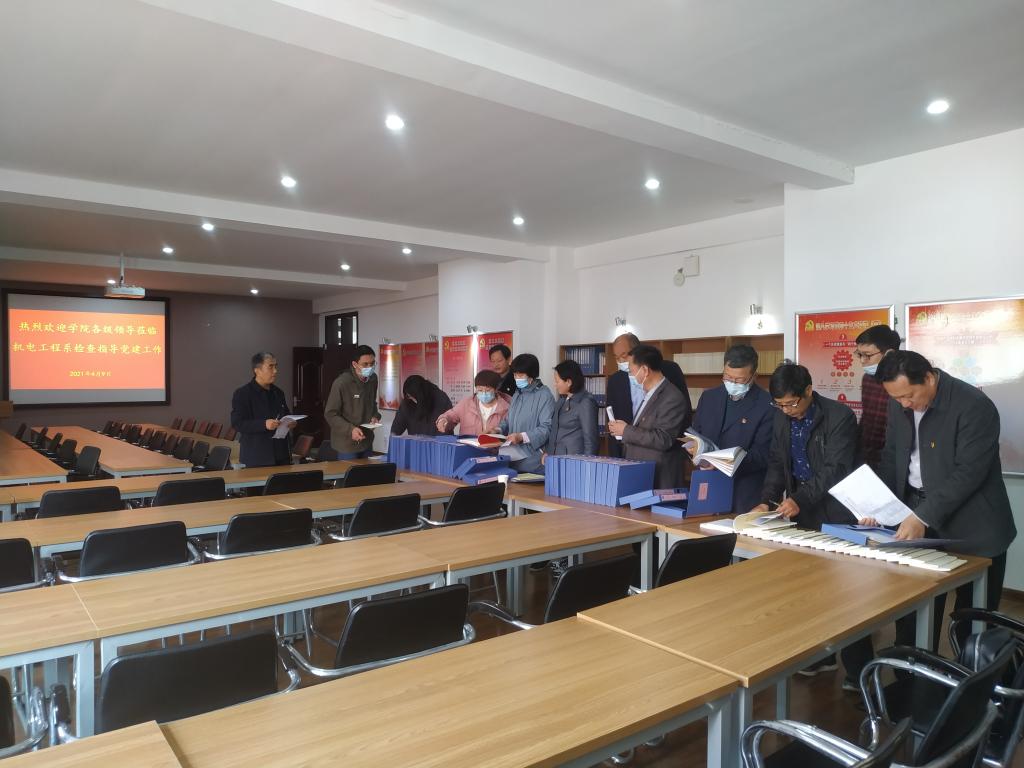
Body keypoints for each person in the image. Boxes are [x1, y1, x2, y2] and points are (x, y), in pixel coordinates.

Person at [875, 350, 1016, 650]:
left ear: (928, 378)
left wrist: (922, 516)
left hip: (974, 525)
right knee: (912, 610)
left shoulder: (973, 405)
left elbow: (969, 473)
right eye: (896, 398)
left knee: (973, 623)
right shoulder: (899, 402)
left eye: (908, 396)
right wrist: (880, 506)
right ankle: (910, 674)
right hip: (917, 513)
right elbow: (892, 456)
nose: (904, 404)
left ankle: (972, 678)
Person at [752, 363, 858, 530]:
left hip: (835, 509)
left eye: (791, 403)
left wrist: (799, 499)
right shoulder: (781, 418)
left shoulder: (839, 416)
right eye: (779, 404)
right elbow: (778, 463)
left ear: (808, 390)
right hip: (802, 510)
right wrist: (767, 502)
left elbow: (836, 468)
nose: (785, 410)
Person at [687, 344, 774, 512]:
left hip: (743, 492)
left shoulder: (767, 405)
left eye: (739, 380)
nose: (732, 383)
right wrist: (694, 448)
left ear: (753, 376)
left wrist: (721, 463)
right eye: (727, 377)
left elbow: (763, 455)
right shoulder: (709, 397)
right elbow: (697, 433)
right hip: (708, 485)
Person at [607, 345, 690, 487]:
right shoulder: (649, 393)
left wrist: (626, 430)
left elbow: (663, 439)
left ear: (645, 370)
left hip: (659, 475)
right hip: (642, 472)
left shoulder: (671, 397)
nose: (630, 376)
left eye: (631, 371)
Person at [230, 352, 295, 467]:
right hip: (256, 456)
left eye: (276, 366)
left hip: (281, 455)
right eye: (270, 367)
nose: (275, 371)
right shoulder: (243, 393)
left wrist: (291, 421)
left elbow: (286, 414)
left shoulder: (278, 392)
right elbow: (237, 423)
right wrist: (263, 424)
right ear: (257, 370)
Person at [498, 353, 555, 474]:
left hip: (533, 461)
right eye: (515, 375)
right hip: (512, 458)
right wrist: (497, 430)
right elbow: (509, 420)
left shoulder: (544, 395)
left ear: (531, 375)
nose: (517, 378)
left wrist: (521, 437)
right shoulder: (518, 393)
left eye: (520, 375)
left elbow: (547, 427)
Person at [855, 325, 901, 470]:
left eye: (867, 355)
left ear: (888, 354)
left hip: (893, 458)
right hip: (866, 457)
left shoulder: (904, 382)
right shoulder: (867, 379)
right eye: (859, 354)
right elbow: (866, 418)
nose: (862, 361)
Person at [325, 344, 381, 459]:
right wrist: (351, 430)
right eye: (365, 364)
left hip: (367, 441)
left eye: (372, 363)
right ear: (355, 364)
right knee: (350, 471)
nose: (370, 367)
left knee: (369, 470)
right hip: (346, 444)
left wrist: (375, 416)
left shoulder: (373, 379)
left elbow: (372, 403)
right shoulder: (342, 383)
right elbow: (330, 414)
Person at [436, 369, 510, 436]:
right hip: (469, 445)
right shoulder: (467, 403)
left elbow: (510, 427)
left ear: (496, 389)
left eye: (488, 390)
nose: (484, 393)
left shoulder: (508, 404)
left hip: (496, 446)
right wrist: (443, 420)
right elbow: (451, 415)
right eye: (480, 390)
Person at [548, 360, 599, 456]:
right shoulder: (562, 400)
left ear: (568, 382)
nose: (555, 384)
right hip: (556, 458)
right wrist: (548, 452)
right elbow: (555, 431)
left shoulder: (586, 402)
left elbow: (590, 441)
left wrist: (588, 463)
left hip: (573, 459)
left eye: (557, 381)